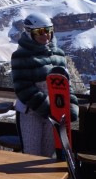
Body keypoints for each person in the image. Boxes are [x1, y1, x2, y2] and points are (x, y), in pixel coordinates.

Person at [10, 12, 80, 157]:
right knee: (31, 155)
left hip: (55, 112)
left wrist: (72, 107)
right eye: (40, 31)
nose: (46, 35)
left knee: (48, 156)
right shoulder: (21, 55)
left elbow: (66, 84)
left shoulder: (59, 54)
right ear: (29, 32)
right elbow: (23, 88)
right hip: (31, 112)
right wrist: (50, 108)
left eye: (48, 30)